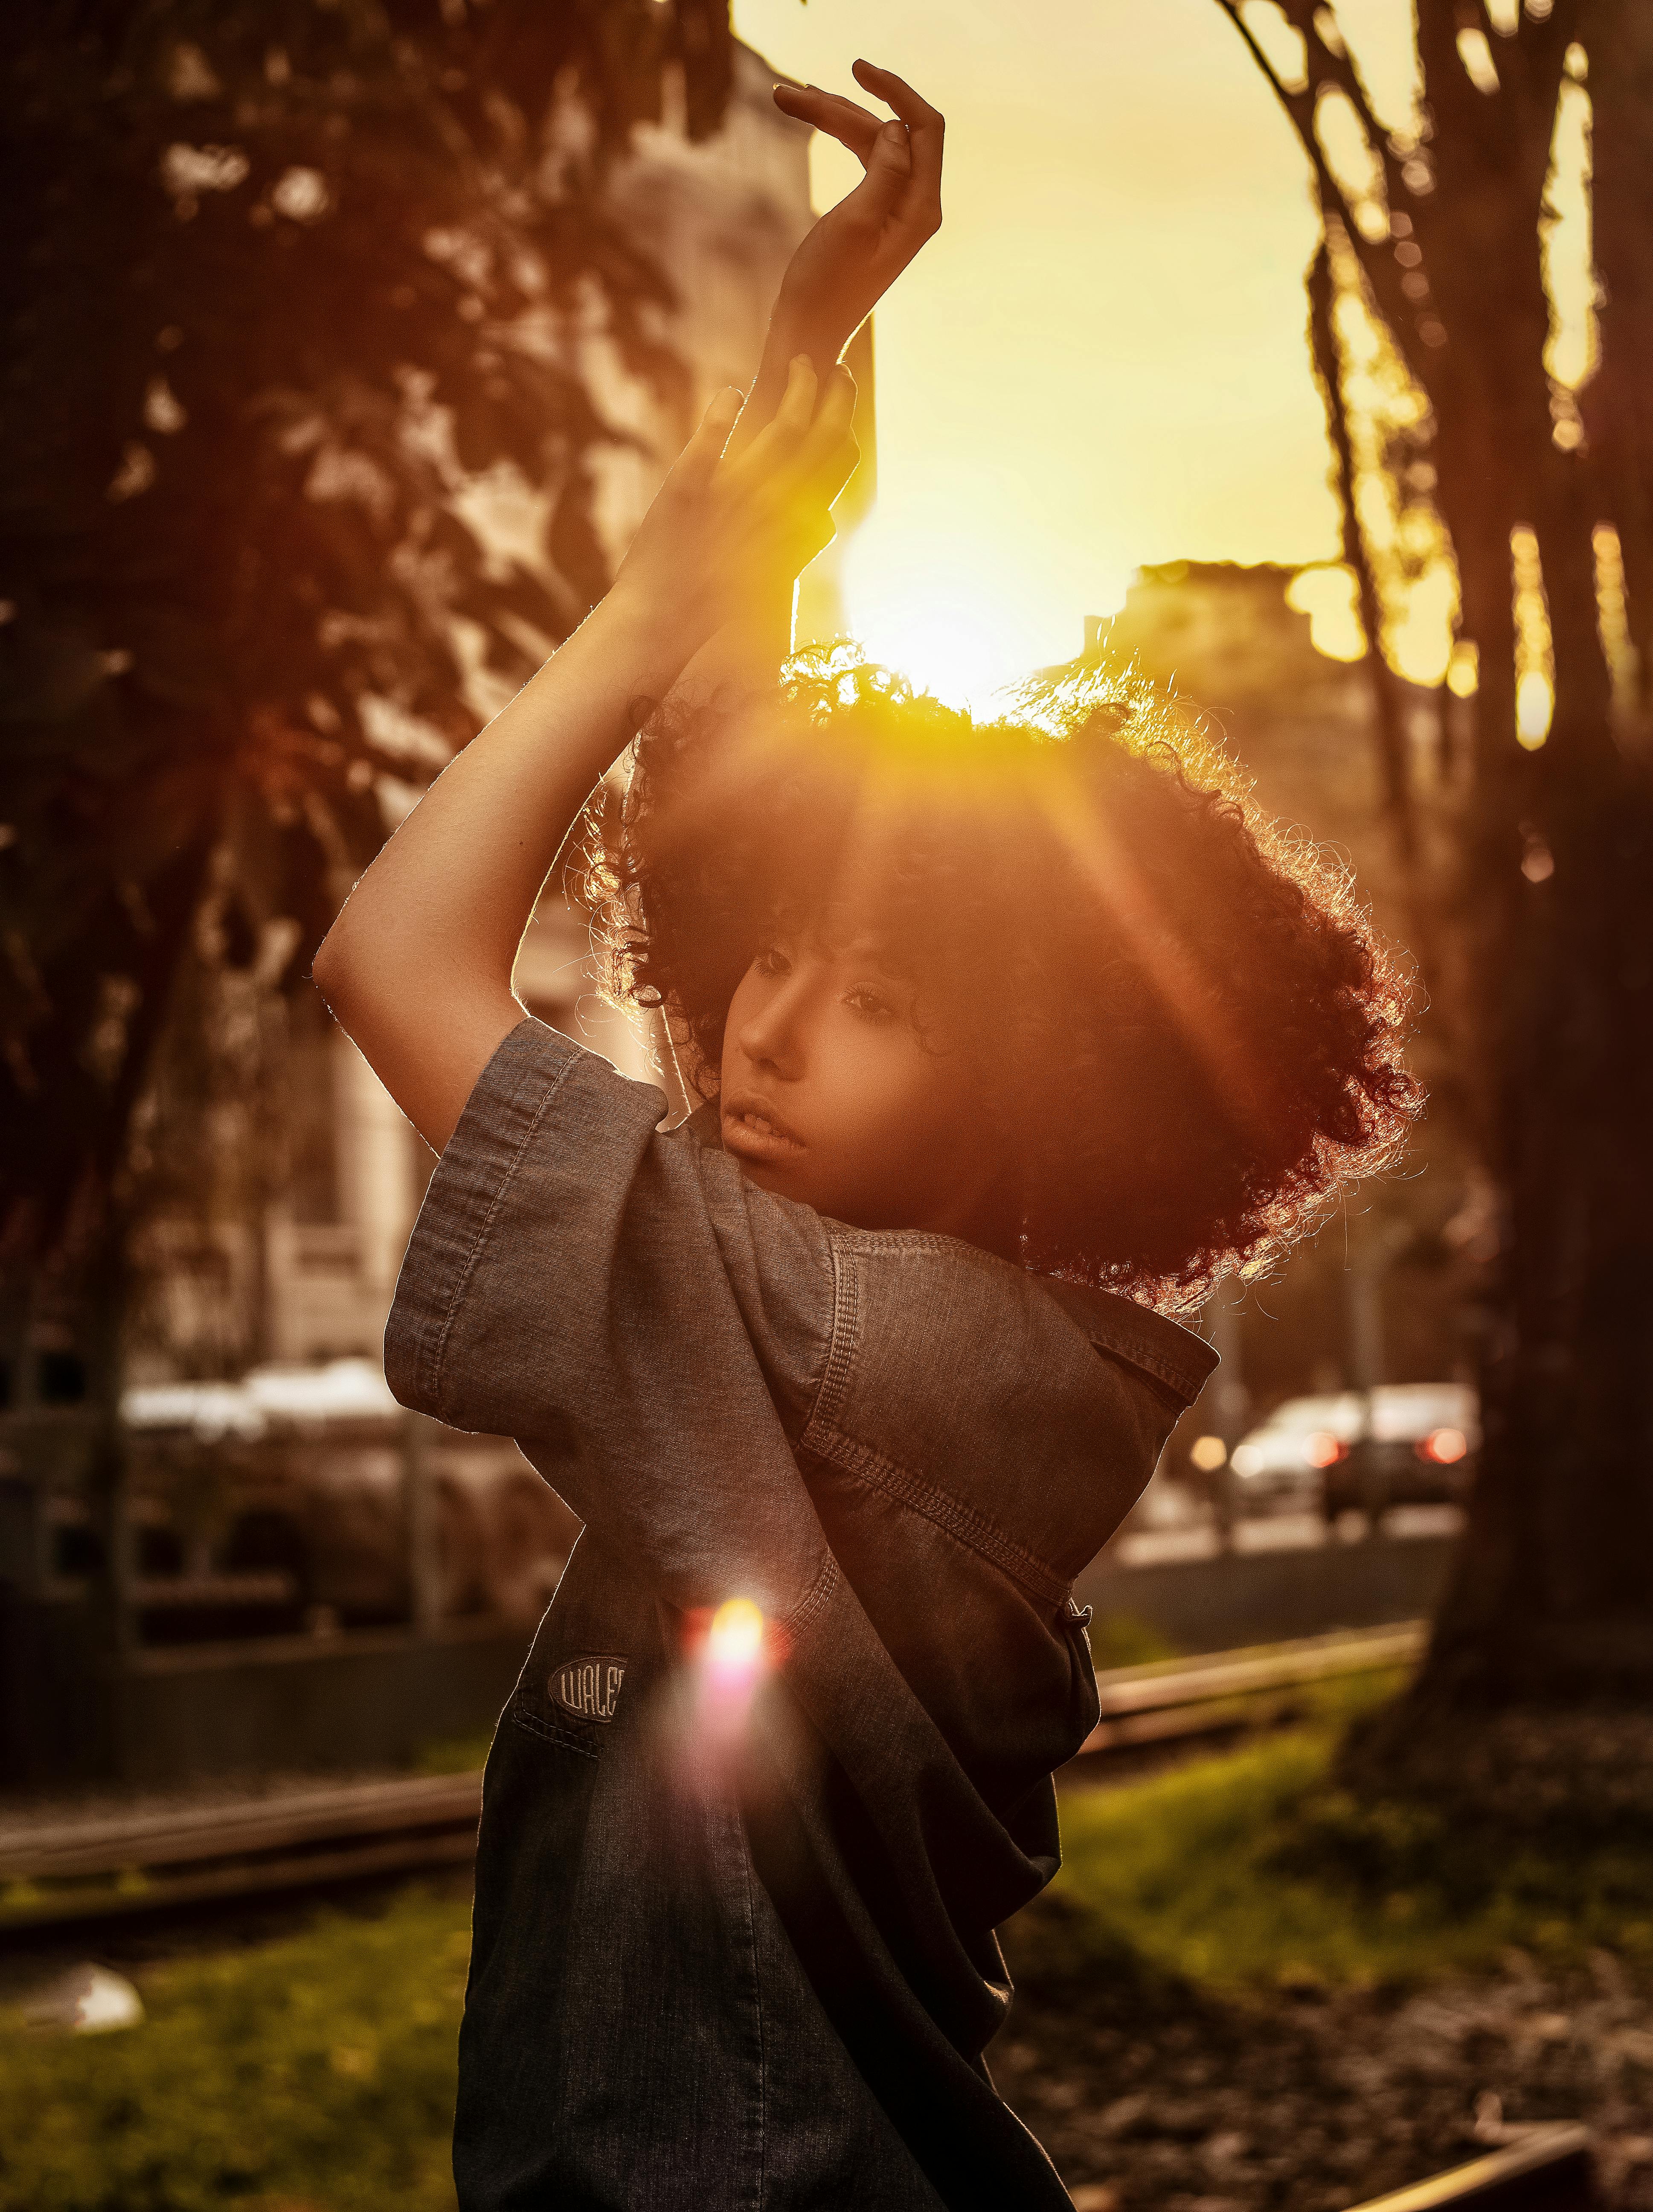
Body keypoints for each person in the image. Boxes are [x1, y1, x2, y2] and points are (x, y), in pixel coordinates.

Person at [314, 58, 1417, 2212]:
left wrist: (642, 602)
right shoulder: (970, 1341)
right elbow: (741, 752)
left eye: (890, 1003)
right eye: (772, 958)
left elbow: (392, 961)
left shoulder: (839, 1345)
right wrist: (802, 357)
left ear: (1042, 1087)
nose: (769, 1034)